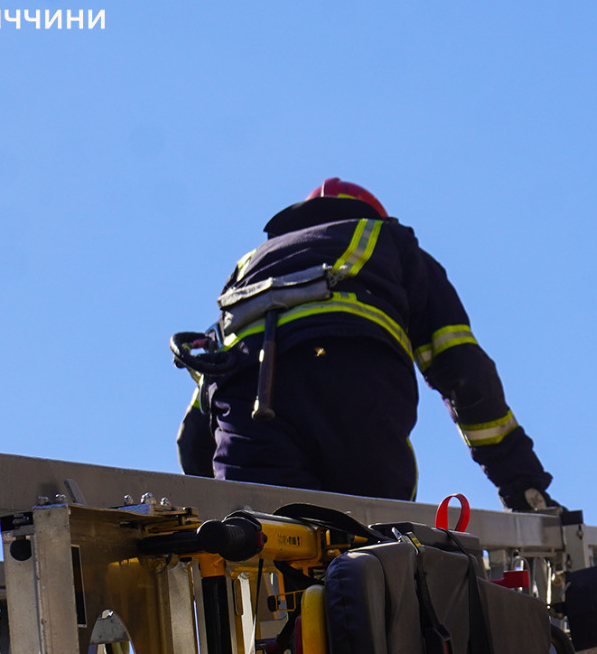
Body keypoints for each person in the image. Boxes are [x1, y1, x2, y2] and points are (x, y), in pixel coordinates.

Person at [175, 178, 560, 513]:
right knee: (374, 547)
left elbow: (194, 433)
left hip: (248, 402)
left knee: (257, 550)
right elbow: (463, 371)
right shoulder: (391, 242)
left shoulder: (248, 268)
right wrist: (521, 485)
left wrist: (213, 507)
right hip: (353, 394)